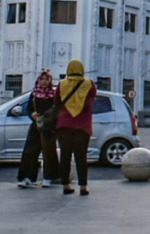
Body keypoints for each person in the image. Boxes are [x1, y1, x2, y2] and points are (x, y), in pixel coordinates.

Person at [55, 59, 96, 196]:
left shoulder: (61, 85)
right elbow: (92, 98)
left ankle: (66, 185)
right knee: (81, 157)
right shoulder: (89, 84)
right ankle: (83, 187)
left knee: (65, 156)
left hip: (63, 125)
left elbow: (56, 102)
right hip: (82, 126)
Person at [17, 70, 60, 188]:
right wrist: (32, 115)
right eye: (42, 79)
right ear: (38, 80)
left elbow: (57, 110)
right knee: (30, 151)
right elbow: (29, 109)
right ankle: (27, 178)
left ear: (50, 80)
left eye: (47, 79)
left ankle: (48, 177)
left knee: (49, 152)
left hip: (49, 126)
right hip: (36, 125)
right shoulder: (34, 94)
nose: (44, 82)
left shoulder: (54, 94)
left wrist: (49, 118)